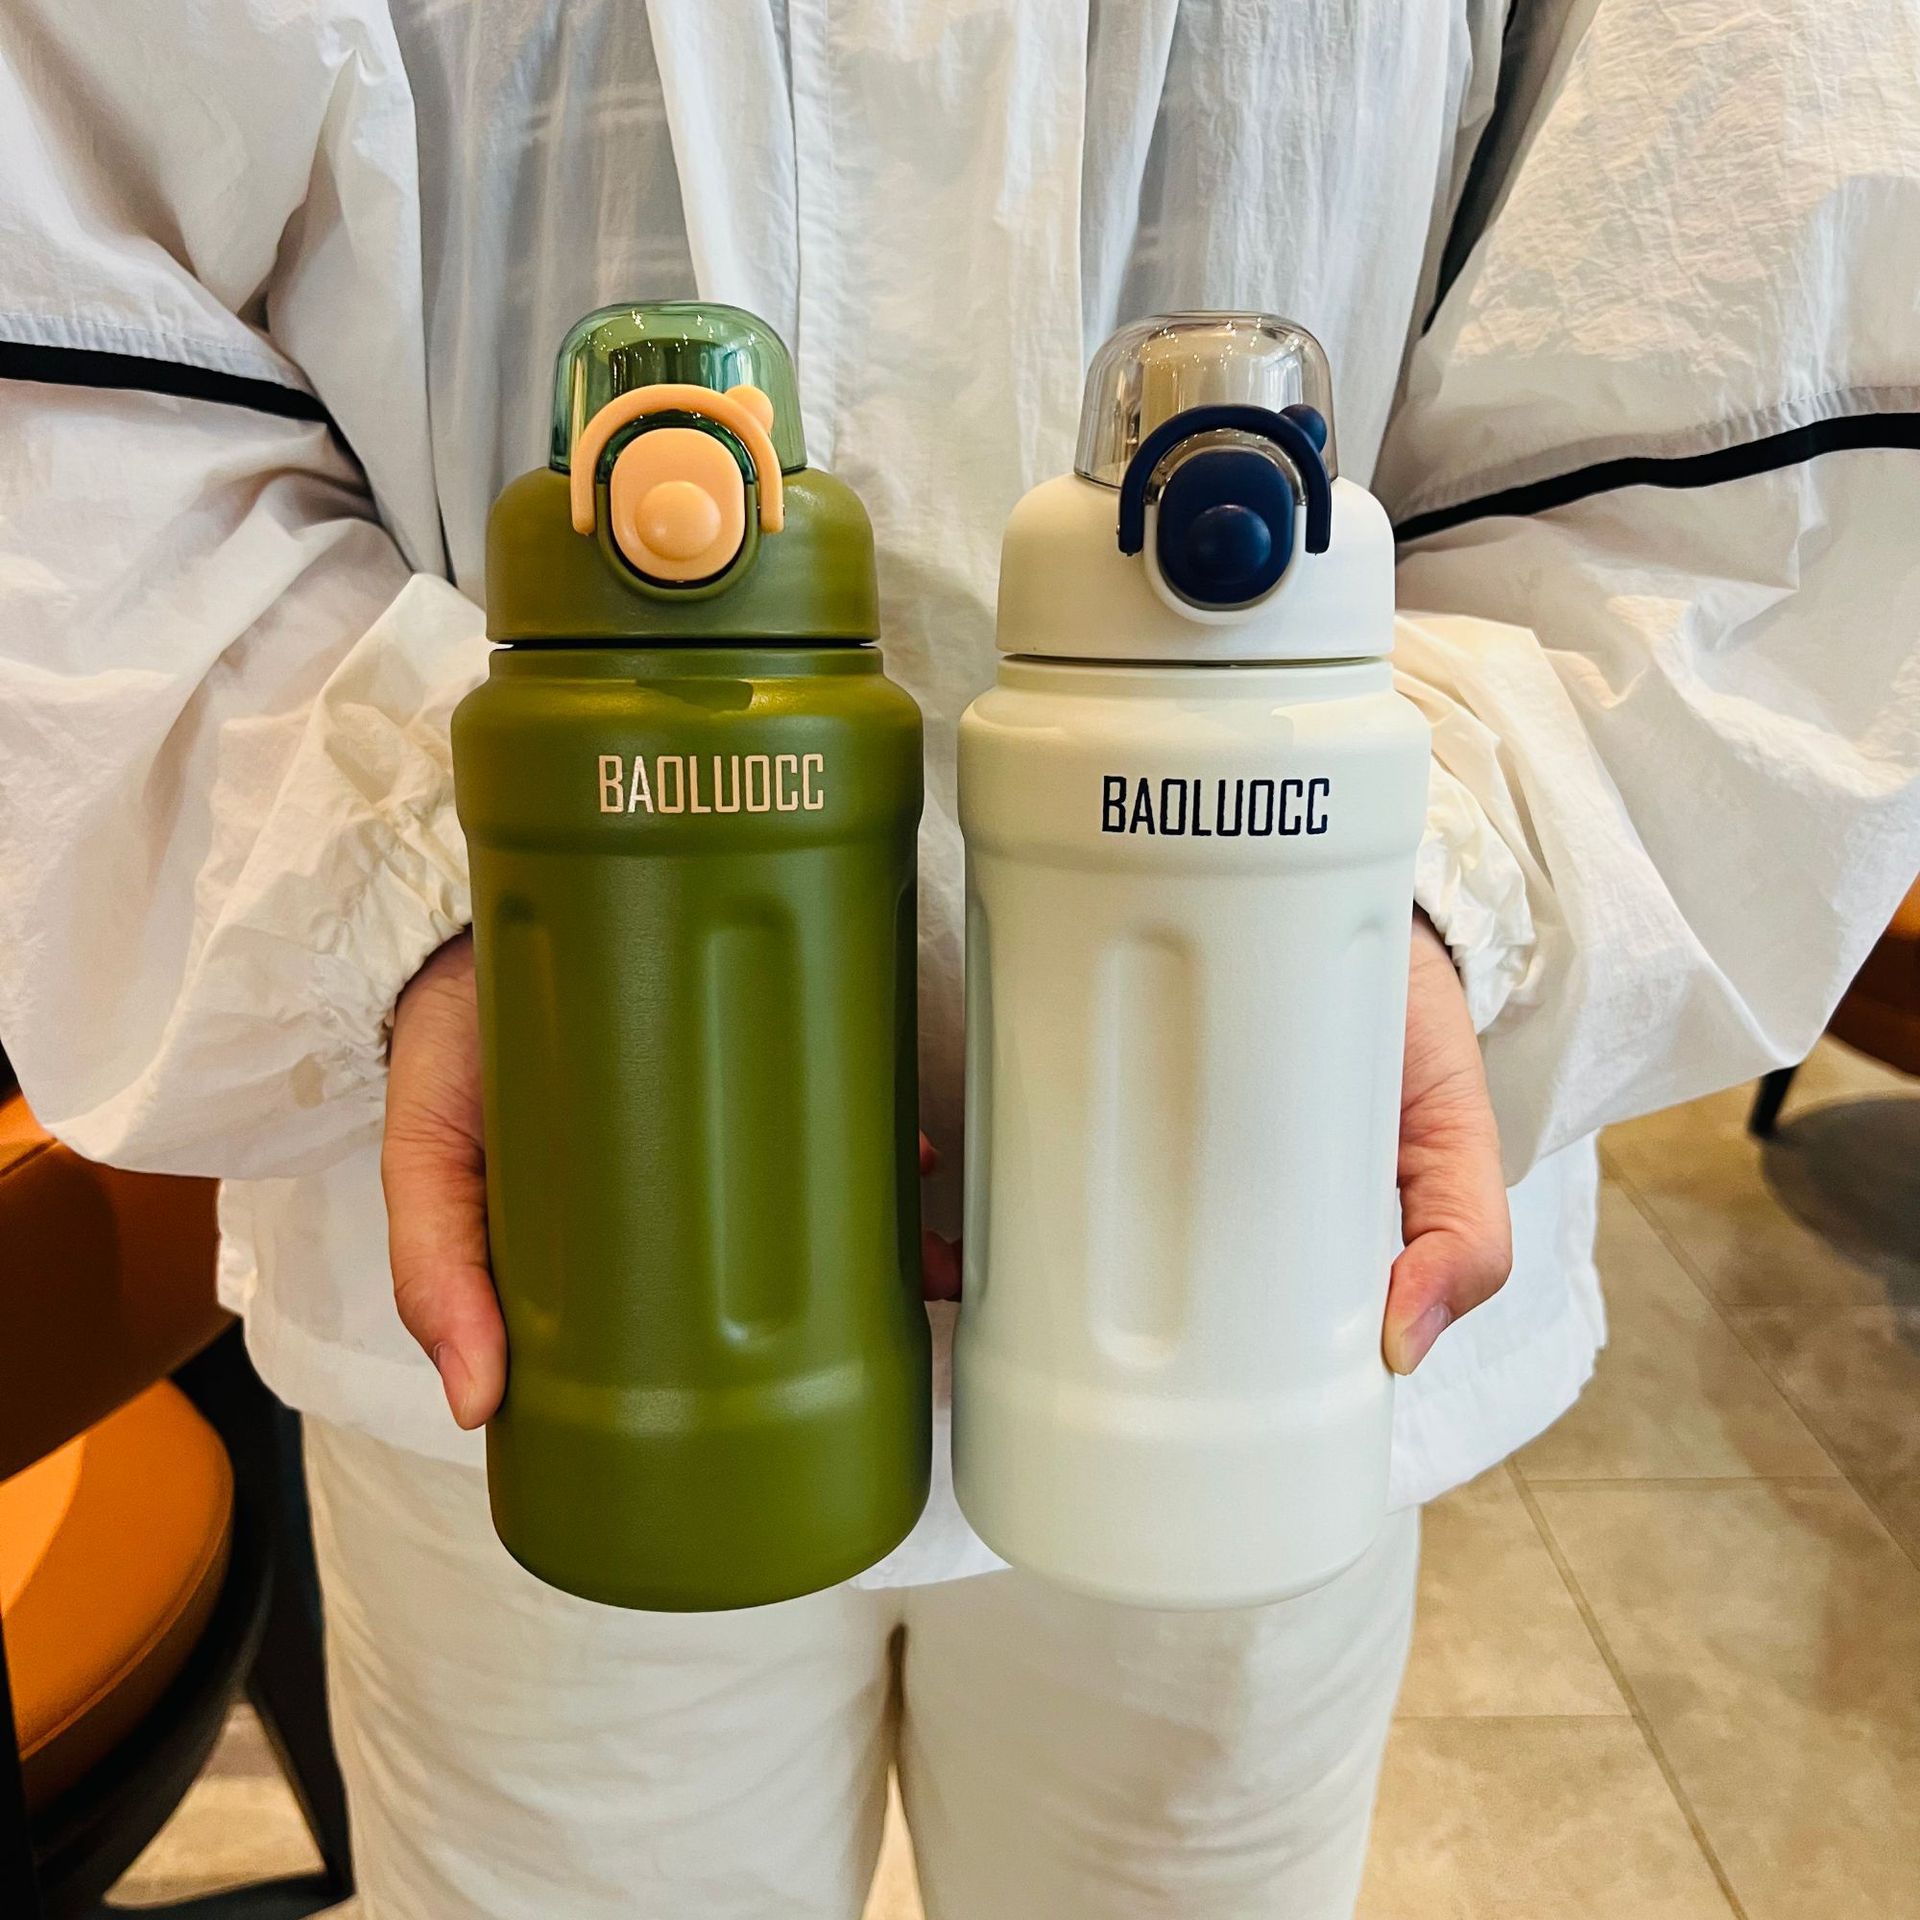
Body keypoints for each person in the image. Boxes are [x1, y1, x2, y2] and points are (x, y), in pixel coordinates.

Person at [3, 3, 1917, 1915]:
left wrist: (1441, 870)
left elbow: (1765, 318)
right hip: (531, 1245)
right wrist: (404, 883)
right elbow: (62, 307)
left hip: (1288, 1239)